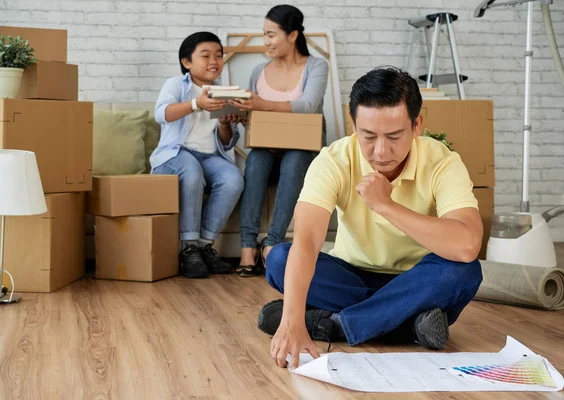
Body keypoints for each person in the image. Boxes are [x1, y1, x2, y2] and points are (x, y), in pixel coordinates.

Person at [258, 67, 484, 369]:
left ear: (417, 125)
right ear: (353, 125)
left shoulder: (442, 162)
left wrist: (386, 205)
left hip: (417, 279)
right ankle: (407, 324)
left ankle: (336, 324)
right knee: (279, 258)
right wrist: (291, 320)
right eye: (368, 136)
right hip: (351, 276)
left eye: (394, 136)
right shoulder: (334, 160)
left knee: (464, 270)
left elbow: (467, 243)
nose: (380, 151)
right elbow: (308, 239)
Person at [230, 4, 329, 277]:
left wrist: (261, 103)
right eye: (264, 35)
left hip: (303, 152)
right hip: (267, 149)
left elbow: (308, 105)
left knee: (295, 158)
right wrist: (244, 114)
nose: (266, 41)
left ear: (293, 35)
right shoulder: (259, 71)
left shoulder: (317, 66)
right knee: (256, 159)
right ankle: (248, 246)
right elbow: (256, 118)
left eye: (272, 34)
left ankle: (272, 244)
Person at [151, 32, 244, 279]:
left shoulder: (224, 91)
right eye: (205, 56)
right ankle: (188, 248)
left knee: (233, 178)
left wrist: (225, 122)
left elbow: (227, 142)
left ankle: (204, 246)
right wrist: (196, 104)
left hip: (210, 156)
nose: (214, 60)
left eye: (218, 55)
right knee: (192, 171)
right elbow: (161, 114)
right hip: (176, 154)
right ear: (187, 62)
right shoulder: (176, 84)